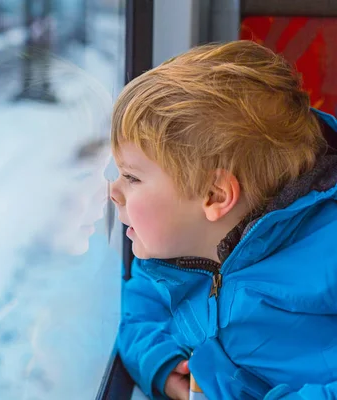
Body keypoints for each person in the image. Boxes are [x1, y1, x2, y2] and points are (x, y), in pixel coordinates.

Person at [109, 40, 337, 400]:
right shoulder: (175, 255)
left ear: (215, 196)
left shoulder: (327, 253)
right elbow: (140, 308)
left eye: (132, 177)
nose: (114, 191)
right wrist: (162, 364)